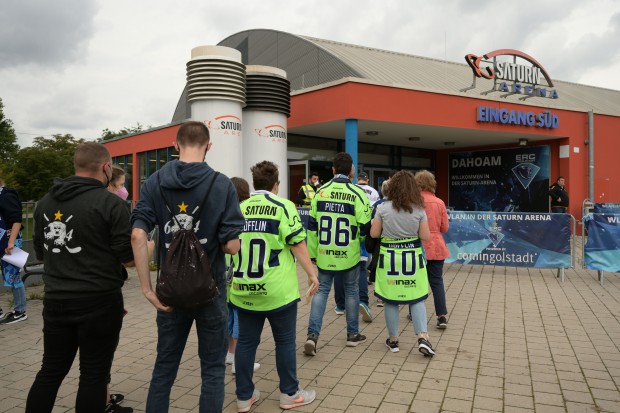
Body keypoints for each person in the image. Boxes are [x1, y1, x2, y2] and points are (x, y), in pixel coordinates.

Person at [130, 121, 245, 413]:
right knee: (212, 371)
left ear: (175, 145)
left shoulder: (154, 182)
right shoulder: (222, 184)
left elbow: (137, 235)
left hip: (169, 293)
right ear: (208, 146)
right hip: (211, 290)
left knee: (164, 369)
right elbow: (232, 246)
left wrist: (146, 289)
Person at [26, 142, 135, 413]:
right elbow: (129, 259)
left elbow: (41, 253)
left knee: (50, 371)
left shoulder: (44, 203)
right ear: (106, 167)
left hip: (56, 300)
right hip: (99, 301)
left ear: (76, 166)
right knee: (94, 374)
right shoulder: (111, 203)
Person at [230, 161, 319, 411]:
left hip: (244, 288)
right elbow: (298, 244)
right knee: (285, 342)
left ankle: (244, 397)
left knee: (246, 343)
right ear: (276, 185)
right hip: (278, 291)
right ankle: (289, 394)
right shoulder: (284, 206)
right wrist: (312, 274)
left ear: (254, 183)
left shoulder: (239, 208)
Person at [304, 152, 371, 356]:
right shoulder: (358, 194)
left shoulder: (320, 192)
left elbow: (312, 227)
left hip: (324, 253)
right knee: (351, 291)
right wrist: (357, 241)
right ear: (351, 171)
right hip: (349, 254)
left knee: (321, 291)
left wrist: (313, 253)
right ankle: (352, 335)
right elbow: (365, 226)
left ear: (333, 170)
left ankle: (312, 336)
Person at [370, 170, 435, 356]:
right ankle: (423, 337)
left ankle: (394, 341)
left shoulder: (382, 208)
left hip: (389, 258)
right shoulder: (419, 209)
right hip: (412, 258)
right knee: (416, 297)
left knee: (390, 299)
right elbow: (425, 236)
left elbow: (374, 234)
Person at [226, 177, 260, 375]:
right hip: (241, 273)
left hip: (225, 274)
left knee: (228, 314)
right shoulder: (245, 214)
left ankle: (230, 353)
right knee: (240, 318)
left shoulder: (225, 212)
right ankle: (239, 361)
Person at [333, 169, 374, 322]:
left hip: (340, 238)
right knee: (362, 270)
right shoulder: (372, 192)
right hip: (359, 236)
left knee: (338, 270)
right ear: (367, 180)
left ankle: (340, 305)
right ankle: (363, 301)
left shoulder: (349, 190)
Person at [415, 170, 450, 329]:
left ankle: (414, 311)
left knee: (416, 281)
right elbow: (445, 228)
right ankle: (441, 316)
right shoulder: (440, 202)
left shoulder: (414, 201)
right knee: (437, 282)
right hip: (436, 245)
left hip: (418, 245)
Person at [0, 178, 27, 324]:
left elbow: (17, 219)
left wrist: (11, 242)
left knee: (14, 275)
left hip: (9, 240)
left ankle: (20, 311)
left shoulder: (6, 195)